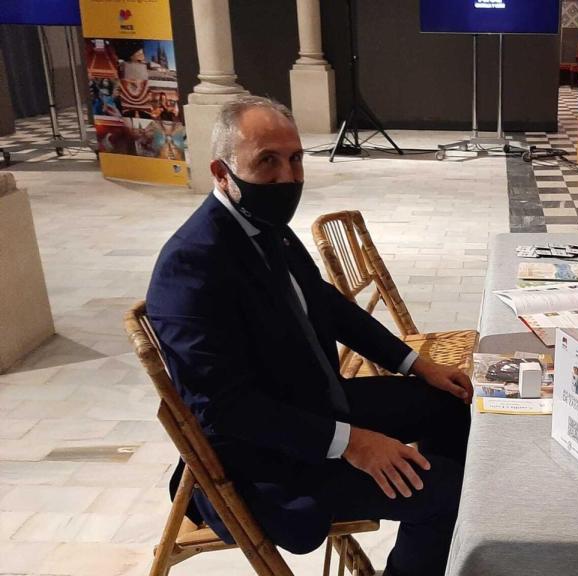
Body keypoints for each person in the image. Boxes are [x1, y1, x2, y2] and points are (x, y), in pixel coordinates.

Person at [146, 96, 471, 576]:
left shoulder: (264, 226)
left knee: (448, 403)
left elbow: (326, 304)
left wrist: (417, 364)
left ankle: (433, 550)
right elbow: (224, 409)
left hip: (313, 404)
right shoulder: (191, 266)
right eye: (267, 162)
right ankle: (432, 527)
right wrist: (355, 444)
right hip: (269, 459)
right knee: (450, 492)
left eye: (296, 159)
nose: (288, 177)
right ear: (221, 172)